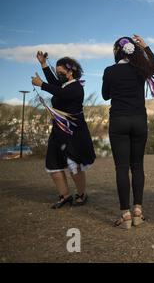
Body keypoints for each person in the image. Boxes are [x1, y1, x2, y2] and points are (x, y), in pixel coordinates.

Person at [102, 35, 154, 229]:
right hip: (139, 121)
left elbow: (105, 95)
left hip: (118, 120)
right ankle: (138, 211)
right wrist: (146, 47)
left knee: (121, 168)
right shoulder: (140, 69)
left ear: (117, 51)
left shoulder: (109, 71)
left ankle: (125, 215)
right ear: (133, 50)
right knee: (137, 166)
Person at [32, 51, 96, 209]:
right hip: (58, 130)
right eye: (57, 71)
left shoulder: (76, 88)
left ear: (70, 71)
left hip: (73, 132)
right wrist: (44, 64)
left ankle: (81, 194)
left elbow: (61, 92)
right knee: (53, 164)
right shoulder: (63, 84)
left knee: (74, 165)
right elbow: (54, 83)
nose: (58, 74)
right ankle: (64, 195)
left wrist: (42, 85)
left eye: (61, 72)